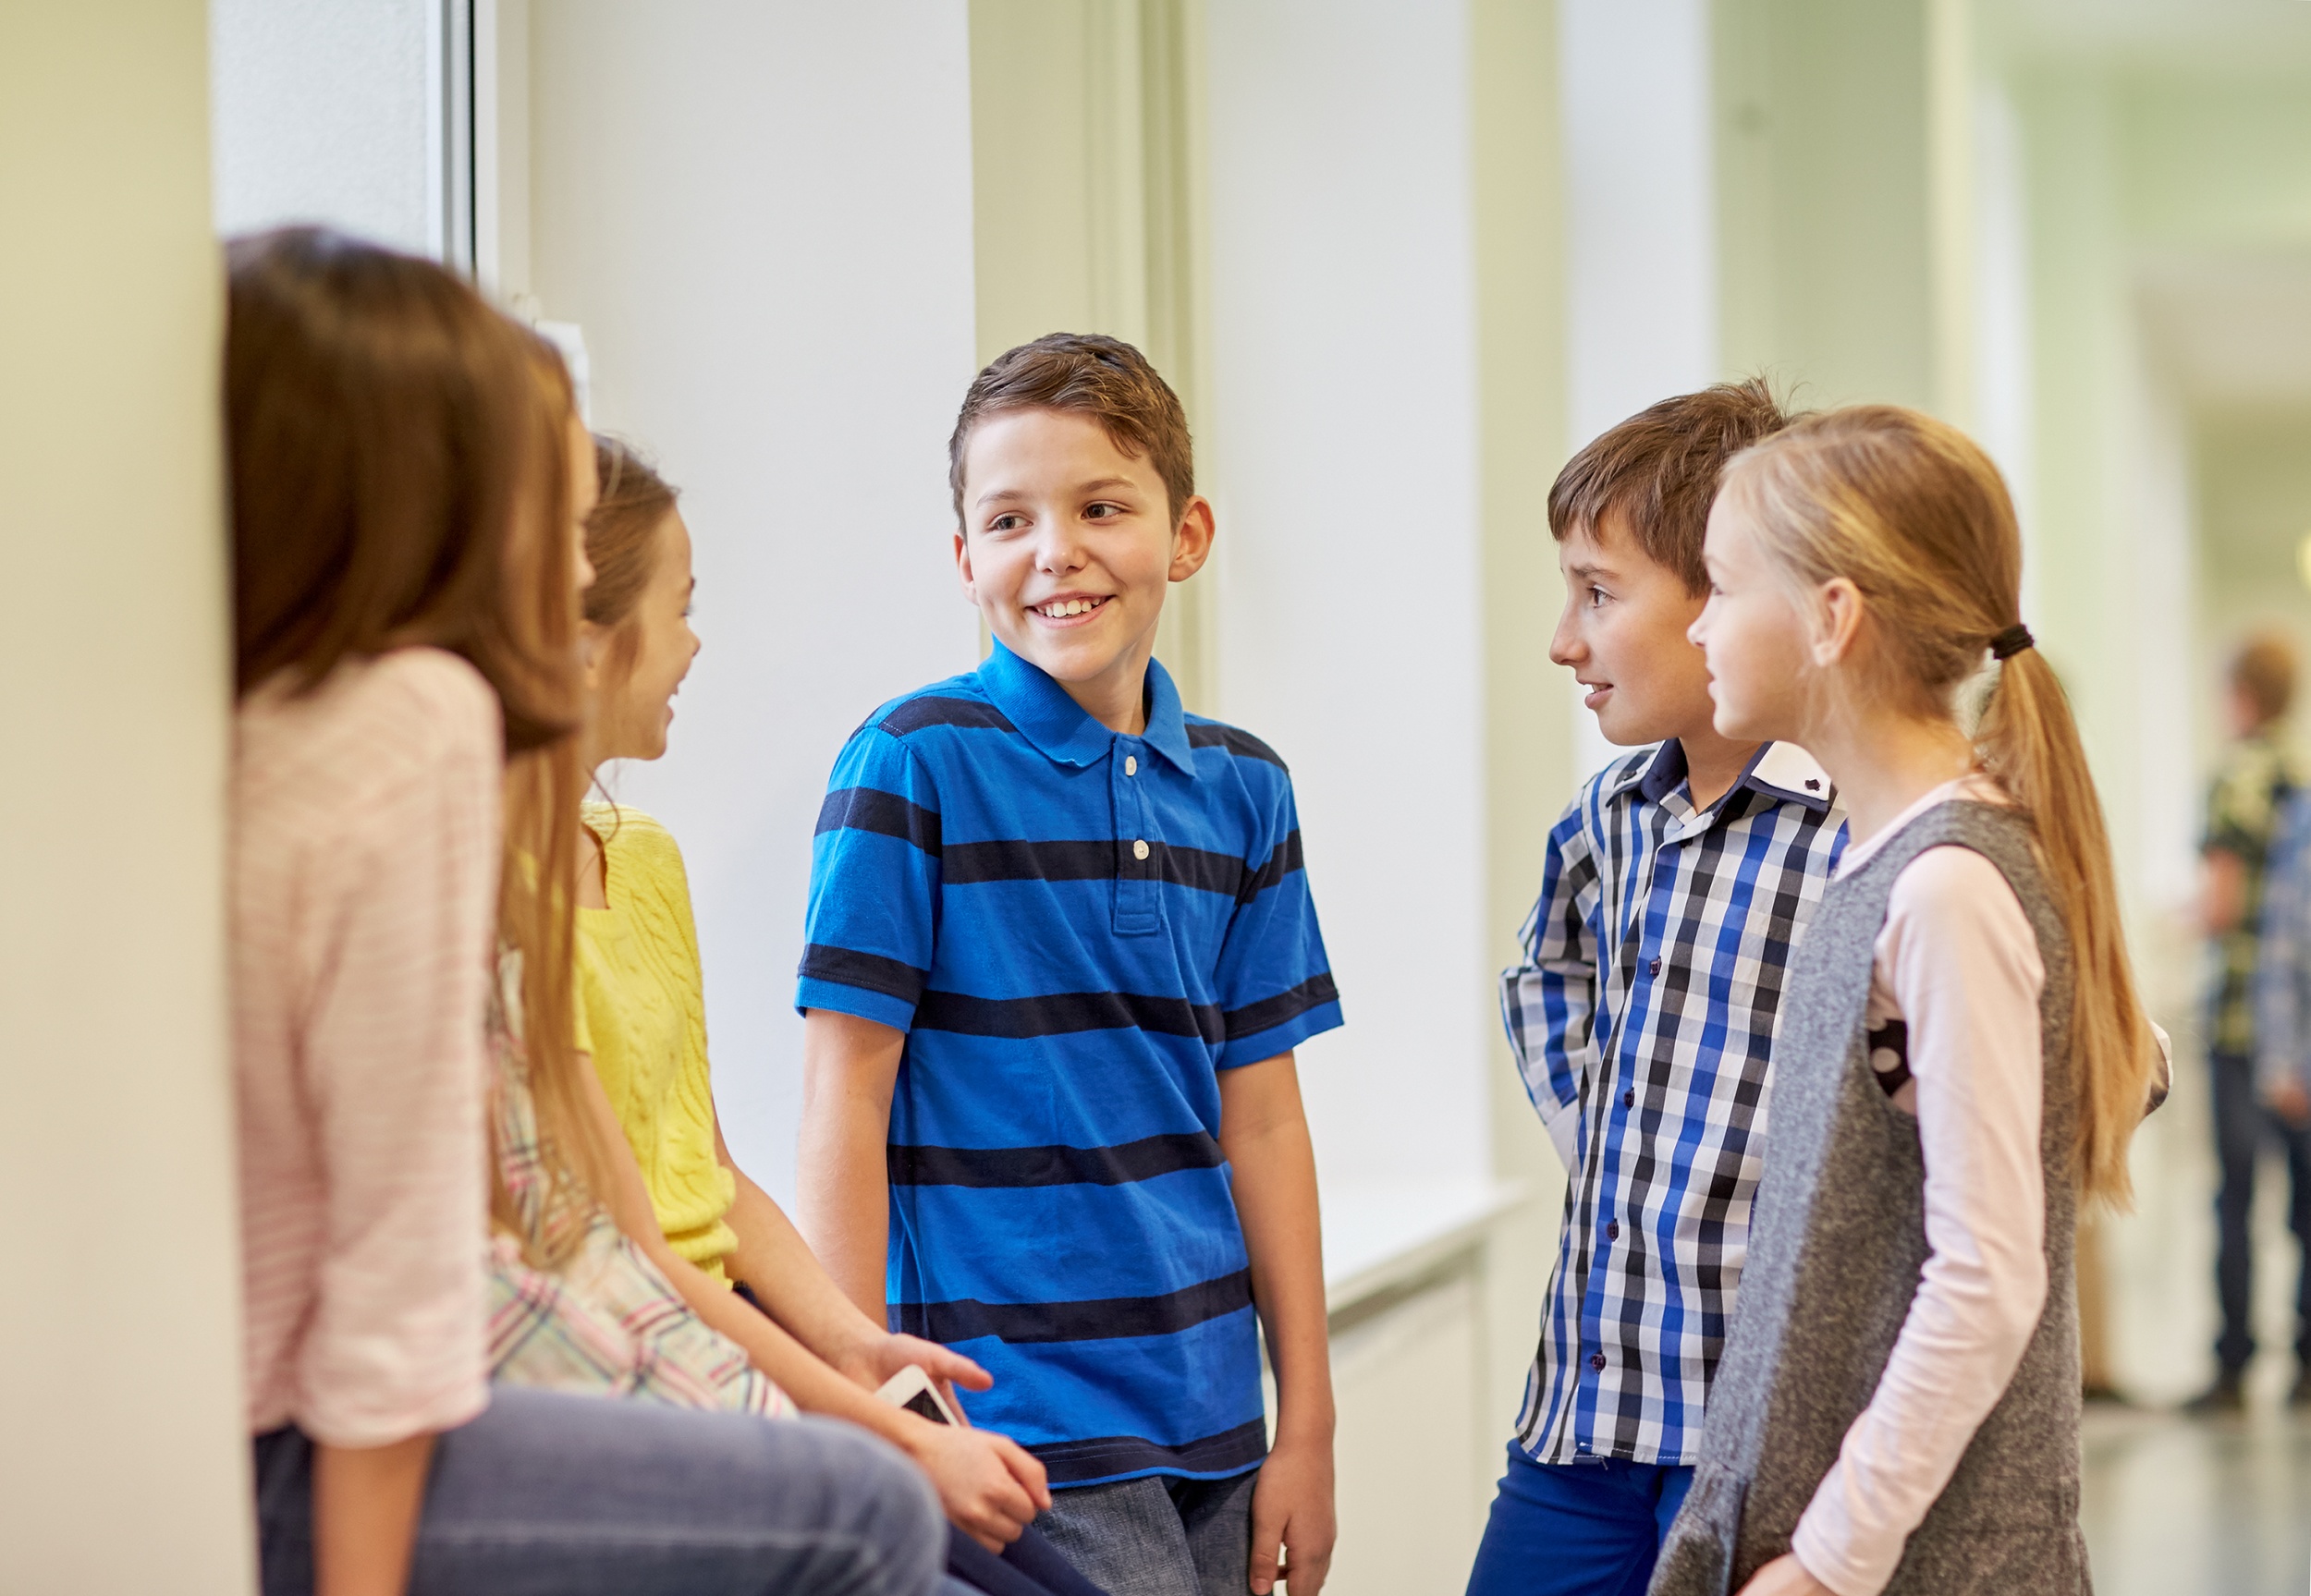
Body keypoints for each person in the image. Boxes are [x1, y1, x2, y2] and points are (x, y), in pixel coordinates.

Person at [228, 226, 955, 1596]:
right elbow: (408, 1289)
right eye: (551, 528)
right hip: (307, 1440)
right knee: (872, 1515)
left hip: (274, 1411)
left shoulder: (249, 717)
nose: (570, 581)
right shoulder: (424, 727)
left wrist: (826, 1366)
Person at [794, 334, 1341, 1596]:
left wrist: (1304, 1419)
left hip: (1214, 1410)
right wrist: (882, 1400)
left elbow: (1264, 1118)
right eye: (1009, 518)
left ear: (1187, 532)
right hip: (1013, 1416)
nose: (1057, 550)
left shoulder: (1248, 785)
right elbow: (843, 1101)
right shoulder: (908, 762)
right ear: (964, 557)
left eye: (1102, 506)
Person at [524, 434, 1102, 1595]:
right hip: (652, 1344)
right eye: (679, 610)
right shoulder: (501, 907)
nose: (695, 645)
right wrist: (887, 1431)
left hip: (746, 1318)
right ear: (587, 646)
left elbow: (713, 1175)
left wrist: (857, 1342)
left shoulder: (642, 856)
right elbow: (633, 1246)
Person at [1650, 406, 2162, 1596]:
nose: (1698, 621)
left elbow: (1986, 1278)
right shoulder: (1882, 855)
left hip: (1919, 1556)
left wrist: (1828, 1559)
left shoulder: (1944, 885)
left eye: (1722, 586)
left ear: (1832, 616)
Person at [1464, 383, 1841, 1596]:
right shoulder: (1610, 817)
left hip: (1765, 1437)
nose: (1563, 639)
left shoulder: (1861, 829)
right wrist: (1610, 1127)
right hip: (1583, 1414)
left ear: (1729, 593)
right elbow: (1545, 962)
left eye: (1598, 591)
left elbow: (2089, 1050)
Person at [2193, 634, 2302, 1412]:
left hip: (2237, 1018)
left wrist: (2183, 917)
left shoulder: (2232, 778)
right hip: (2296, 1024)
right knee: (2303, 1199)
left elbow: (2221, 904)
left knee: (2233, 1197)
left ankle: (2233, 1364)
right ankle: (2304, 1360)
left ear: (2237, 695)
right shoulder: (2296, 786)